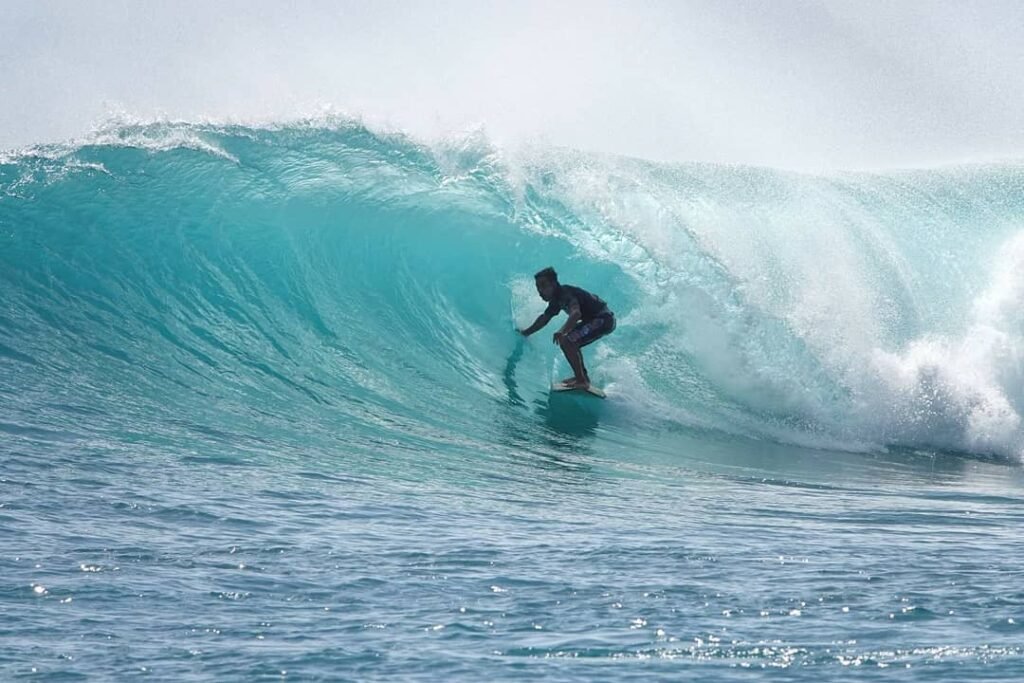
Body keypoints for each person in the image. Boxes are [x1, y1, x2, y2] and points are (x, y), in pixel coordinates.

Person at [519, 267, 615, 390]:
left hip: (603, 319)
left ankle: (582, 381)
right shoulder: (556, 300)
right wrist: (525, 332)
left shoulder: (566, 294)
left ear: (554, 284)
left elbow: (576, 314)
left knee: (567, 341)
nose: (540, 291)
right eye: (538, 287)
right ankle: (582, 377)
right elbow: (544, 318)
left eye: (543, 286)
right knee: (572, 341)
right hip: (597, 319)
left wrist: (562, 331)